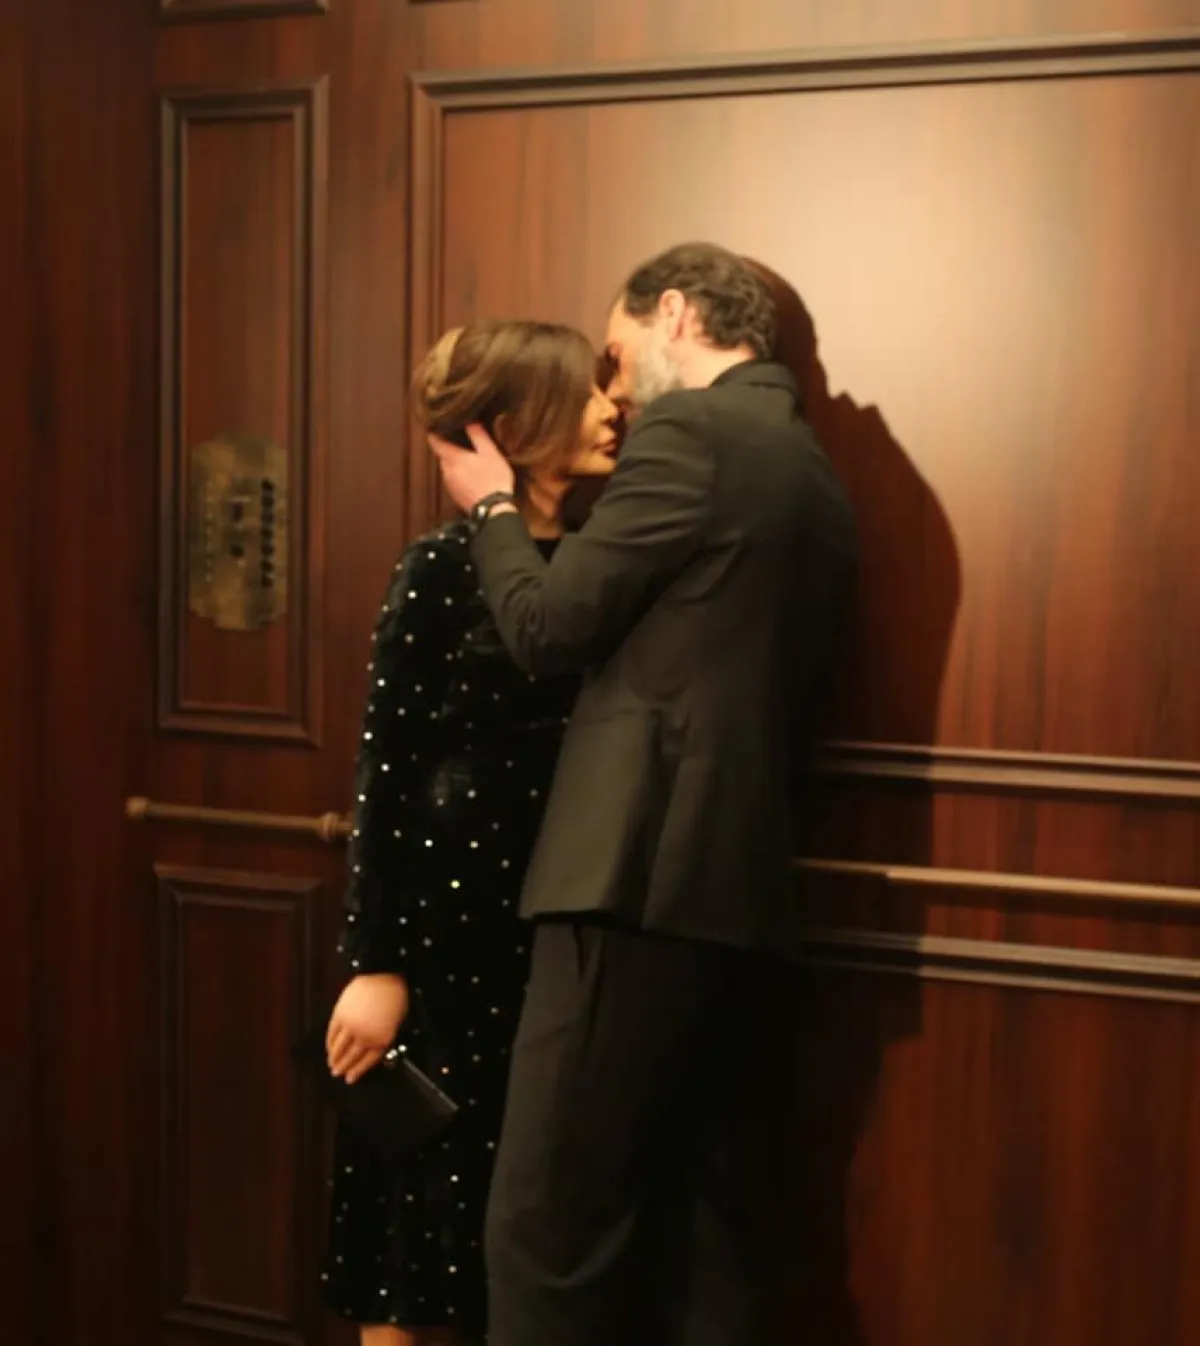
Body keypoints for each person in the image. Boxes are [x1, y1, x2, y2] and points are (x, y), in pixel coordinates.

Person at [429, 242, 859, 1346]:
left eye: (615, 356)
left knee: (542, 1225)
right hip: (733, 894)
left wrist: (490, 507)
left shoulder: (695, 432)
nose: (613, 390)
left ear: (674, 313)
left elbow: (545, 627)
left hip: (633, 878)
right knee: (699, 1239)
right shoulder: (812, 469)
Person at [322, 319, 619, 1346]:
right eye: (583, 393)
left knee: (520, 1248)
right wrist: (376, 963)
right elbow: (388, 772)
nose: (609, 408)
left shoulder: (598, 566)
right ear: (515, 424)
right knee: (413, 1247)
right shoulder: (439, 569)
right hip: (444, 946)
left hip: (556, 940)